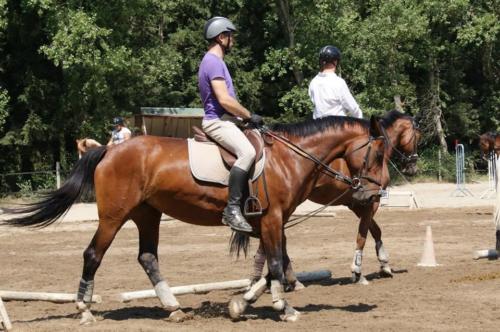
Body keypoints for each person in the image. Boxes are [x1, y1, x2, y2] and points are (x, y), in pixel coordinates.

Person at [198, 16, 264, 233]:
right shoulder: (213, 61)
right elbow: (224, 100)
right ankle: (232, 209)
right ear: (221, 37)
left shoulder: (216, 62)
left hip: (226, 120)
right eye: (230, 35)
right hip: (216, 122)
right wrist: (248, 115)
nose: (233, 40)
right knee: (246, 153)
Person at [308, 45, 363, 120]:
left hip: (318, 127)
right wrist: (360, 118)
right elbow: (353, 107)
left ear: (321, 61)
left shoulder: (313, 82)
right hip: (337, 127)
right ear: (335, 62)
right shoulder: (339, 82)